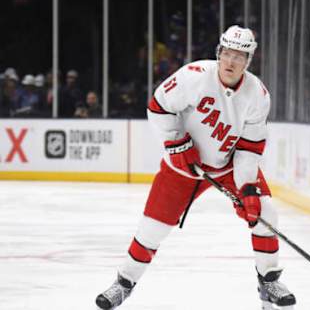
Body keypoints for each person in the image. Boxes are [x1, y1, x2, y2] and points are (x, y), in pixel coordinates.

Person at [95, 25, 296, 310]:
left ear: (249, 60)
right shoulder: (194, 77)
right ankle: (123, 283)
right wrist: (176, 145)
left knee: (265, 212)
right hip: (181, 170)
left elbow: (249, 150)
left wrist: (247, 189)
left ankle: (269, 283)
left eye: (239, 56)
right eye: (227, 53)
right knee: (152, 229)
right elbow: (158, 107)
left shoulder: (258, 95)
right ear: (219, 53)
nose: (231, 62)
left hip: (227, 167)